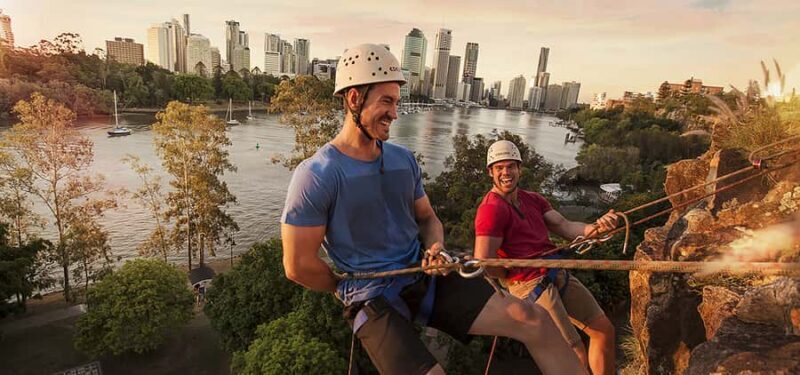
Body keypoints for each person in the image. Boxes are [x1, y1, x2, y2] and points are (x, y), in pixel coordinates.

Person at [281, 43, 585, 375]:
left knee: (534, 319)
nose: (395, 113)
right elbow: (297, 265)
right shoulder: (317, 175)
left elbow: (427, 218)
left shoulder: (402, 160)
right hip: (369, 294)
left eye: (396, 102)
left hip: (423, 274)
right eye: (386, 101)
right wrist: (343, 287)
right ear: (355, 99)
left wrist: (435, 246)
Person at [473, 140, 618, 375]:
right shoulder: (491, 209)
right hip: (528, 283)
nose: (506, 173)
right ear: (491, 172)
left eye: (510, 166)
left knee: (603, 330)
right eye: (499, 168)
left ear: (519, 169)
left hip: (554, 270)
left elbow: (565, 226)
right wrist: (510, 275)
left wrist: (598, 228)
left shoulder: (533, 199)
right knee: (574, 354)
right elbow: (484, 261)